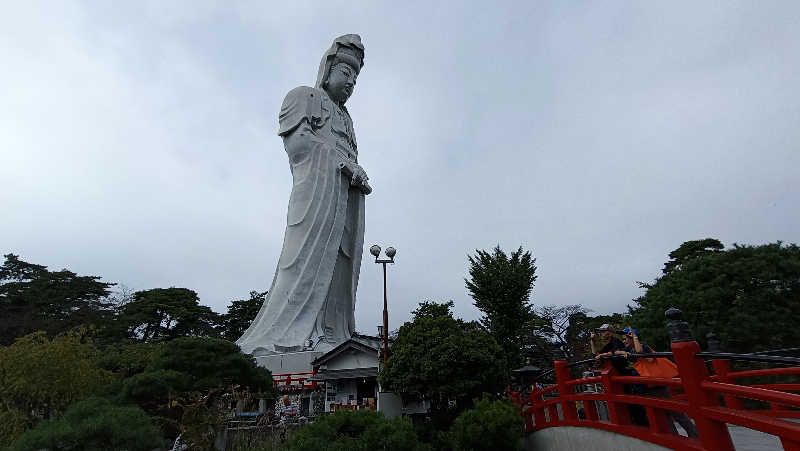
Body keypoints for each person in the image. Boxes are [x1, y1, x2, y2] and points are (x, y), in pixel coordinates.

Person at [237, 35, 371, 354]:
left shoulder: (347, 121)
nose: (351, 81)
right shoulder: (304, 97)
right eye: (345, 72)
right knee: (306, 259)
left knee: (341, 264)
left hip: (345, 200)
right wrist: (343, 164)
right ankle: (287, 334)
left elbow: (348, 156)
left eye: (356, 77)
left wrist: (353, 172)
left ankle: (332, 331)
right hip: (316, 196)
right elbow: (299, 146)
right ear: (327, 69)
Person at [621, 327, 699, 438]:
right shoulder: (630, 351)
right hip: (647, 387)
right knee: (663, 415)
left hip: (657, 386)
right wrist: (622, 351)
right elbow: (621, 351)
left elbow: (647, 358)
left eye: (625, 339)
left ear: (632, 338)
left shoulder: (644, 347)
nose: (624, 342)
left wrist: (635, 336)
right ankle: (675, 438)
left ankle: (695, 435)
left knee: (675, 411)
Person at [591, 324, 649, 426]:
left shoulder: (616, 342)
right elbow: (596, 354)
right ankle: (639, 425)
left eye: (602, 332)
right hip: (620, 377)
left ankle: (644, 426)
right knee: (631, 405)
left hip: (626, 376)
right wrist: (592, 341)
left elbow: (616, 352)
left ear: (608, 333)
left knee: (636, 405)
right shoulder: (609, 344)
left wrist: (602, 355)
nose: (601, 334)